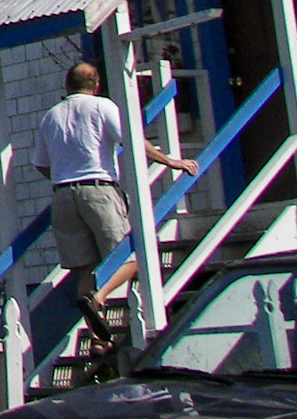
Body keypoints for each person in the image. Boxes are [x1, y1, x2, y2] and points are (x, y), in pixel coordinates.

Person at [34, 60, 197, 345]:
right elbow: (133, 141)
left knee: (83, 267)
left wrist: (63, 177)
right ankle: (99, 296)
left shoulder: (51, 116)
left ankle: (99, 339)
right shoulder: (102, 107)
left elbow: (40, 164)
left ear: (67, 85)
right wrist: (171, 161)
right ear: (96, 85)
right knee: (133, 258)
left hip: (63, 195)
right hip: (98, 189)